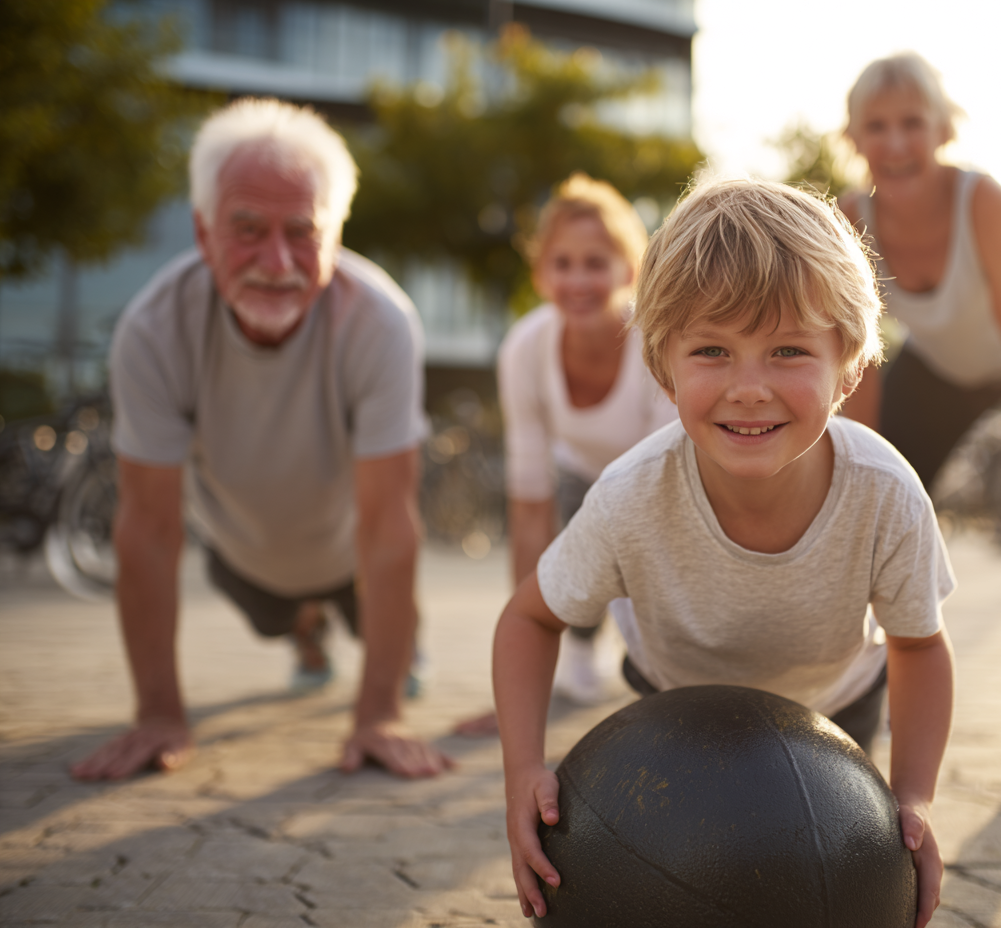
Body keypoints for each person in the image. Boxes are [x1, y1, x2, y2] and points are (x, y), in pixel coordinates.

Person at [493, 178, 956, 928]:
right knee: (691, 869)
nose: (749, 388)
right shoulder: (631, 495)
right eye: (712, 350)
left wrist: (914, 797)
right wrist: (522, 771)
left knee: (816, 875)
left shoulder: (885, 493)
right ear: (663, 366)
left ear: (847, 365)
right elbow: (528, 618)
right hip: (674, 696)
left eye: (787, 351)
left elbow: (920, 645)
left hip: (836, 700)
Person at [71, 98, 453, 782]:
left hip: (352, 553)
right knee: (275, 613)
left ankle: (394, 646)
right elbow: (149, 528)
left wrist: (380, 714)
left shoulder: (381, 322)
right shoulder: (153, 329)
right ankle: (306, 632)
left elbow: (390, 525)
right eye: (247, 229)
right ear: (203, 231)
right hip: (247, 551)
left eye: (302, 232)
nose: (277, 262)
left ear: (335, 235)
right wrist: (158, 713)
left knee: (390, 629)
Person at [837, 52, 1001, 752]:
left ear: (943, 131)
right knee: (867, 502)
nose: (896, 142)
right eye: (877, 126)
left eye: (913, 123)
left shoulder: (984, 203)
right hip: (947, 361)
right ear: (854, 138)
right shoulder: (851, 218)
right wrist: (856, 469)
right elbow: (862, 355)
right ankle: (854, 677)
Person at [454, 174, 676, 736]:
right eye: (563, 263)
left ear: (629, 271)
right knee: (571, 534)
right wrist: (520, 685)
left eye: (596, 263)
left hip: (664, 481)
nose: (578, 280)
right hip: (582, 474)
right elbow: (529, 506)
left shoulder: (655, 341)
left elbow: (663, 485)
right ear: (541, 273)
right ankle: (577, 650)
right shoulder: (525, 349)